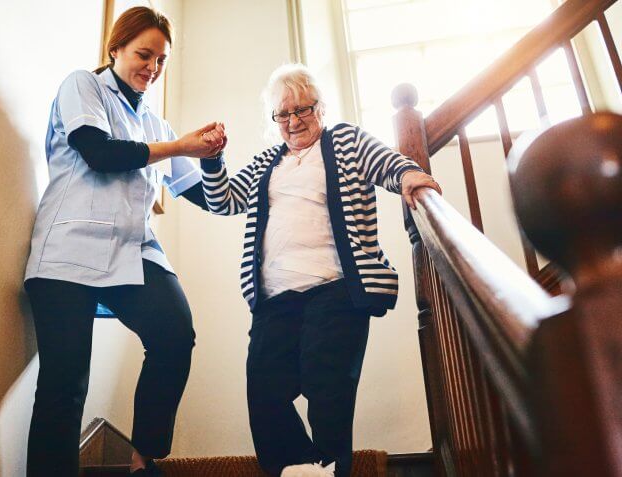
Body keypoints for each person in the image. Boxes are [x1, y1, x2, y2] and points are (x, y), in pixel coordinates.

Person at [199, 64, 441, 477]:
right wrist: (212, 159)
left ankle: (330, 469)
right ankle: (302, 470)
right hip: (275, 296)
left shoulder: (344, 139)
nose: (293, 121)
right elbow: (224, 201)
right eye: (283, 114)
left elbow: (384, 161)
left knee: (327, 386)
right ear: (273, 119)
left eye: (303, 109)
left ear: (320, 108)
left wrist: (409, 175)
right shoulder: (266, 162)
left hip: (336, 288)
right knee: (264, 390)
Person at [23, 6, 222, 476]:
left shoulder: (155, 123)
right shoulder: (83, 86)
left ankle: (143, 457)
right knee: (66, 383)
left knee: (175, 334)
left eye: (161, 60)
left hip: (133, 250)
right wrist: (181, 147)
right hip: (67, 253)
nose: (152, 68)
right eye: (143, 55)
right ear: (115, 48)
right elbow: (98, 152)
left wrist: (212, 157)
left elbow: (210, 199)